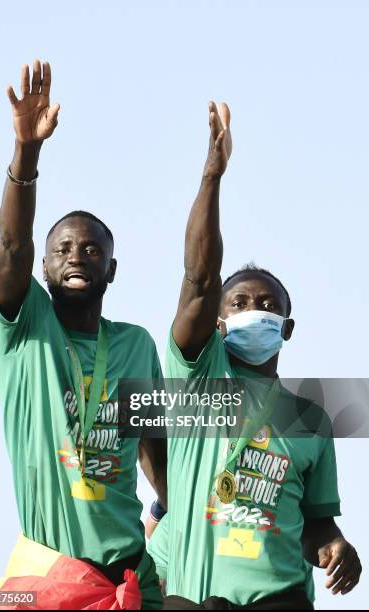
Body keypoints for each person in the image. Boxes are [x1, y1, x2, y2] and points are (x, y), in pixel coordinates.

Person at [160, 101, 361, 609]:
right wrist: (212, 176)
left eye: (270, 305)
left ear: (287, 329)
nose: (257, 310)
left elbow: (316, 524)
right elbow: (199, 279)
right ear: (218, 322)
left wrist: (337, 547)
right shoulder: (196, 383)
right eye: (241, 302)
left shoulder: (310, 416)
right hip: (195, 598)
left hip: (281, 599)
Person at [0, 60, 166, 610]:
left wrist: (170, 514)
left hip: (131, 581)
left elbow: (158, 459)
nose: (77, 257)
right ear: (42, 267)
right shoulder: (26, 328)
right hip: (51, 578)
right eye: (63, 249)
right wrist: (27, 151)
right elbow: (12, 244)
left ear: (112, 269)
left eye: (92, 250)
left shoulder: (136, 344)